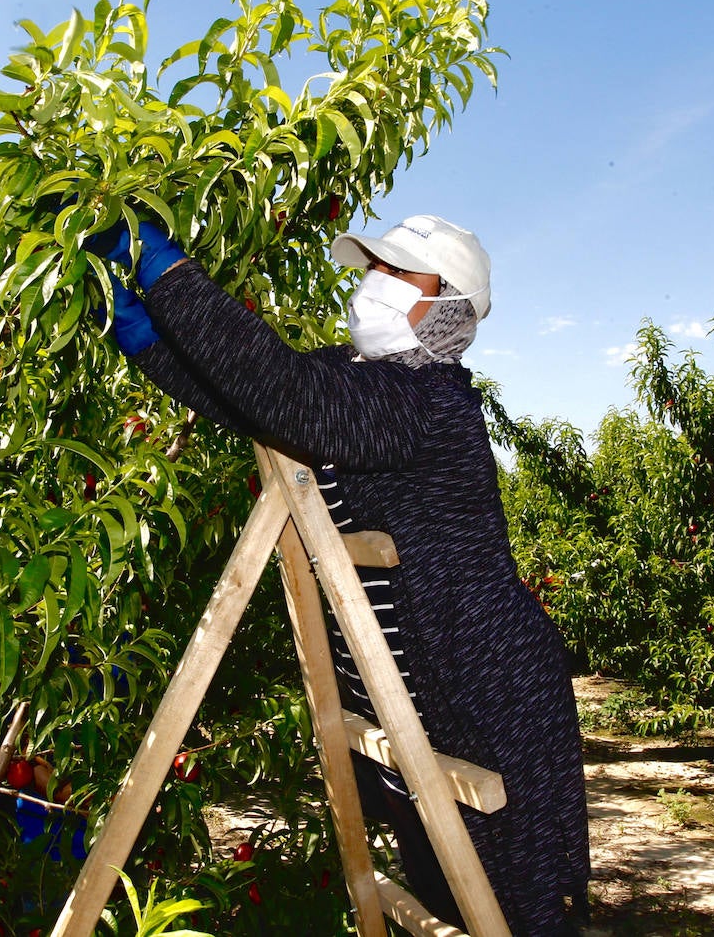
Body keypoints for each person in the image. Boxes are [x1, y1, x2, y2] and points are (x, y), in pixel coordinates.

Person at [84, 213, 591, 936]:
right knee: (445, 888)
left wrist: (167, 265)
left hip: (487, 698)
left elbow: (282, 390)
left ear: (448, 304)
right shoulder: (362, 381)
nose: (371, 285)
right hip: (414, 704)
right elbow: (240, 389)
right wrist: (135, 327)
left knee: (517, 902)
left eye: (395, 271)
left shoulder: (430, 402)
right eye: (370, 269)